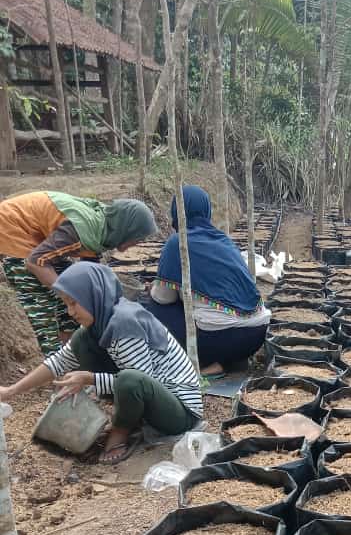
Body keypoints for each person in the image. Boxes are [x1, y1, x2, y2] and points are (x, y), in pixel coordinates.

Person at [0, 262, 202, 465]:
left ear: (93, 296)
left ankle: (121, 431)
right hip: (151, 396)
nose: (70, 312)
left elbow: (138, 380)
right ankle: (130, 419)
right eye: (66, 304)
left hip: (179, 412)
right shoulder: (99, 324)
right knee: (81, 341)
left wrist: (89, 379)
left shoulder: (125, 323)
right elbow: (58, 362)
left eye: (73, 303)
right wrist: (11, 391)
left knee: (129, 379)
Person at [0, 191, 157, 355]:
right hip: (12, 227)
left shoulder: (105, 228)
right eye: (138, 238)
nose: (139, 242)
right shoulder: (80, 230)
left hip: (39, 238)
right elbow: (35, 262)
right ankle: (56, 365)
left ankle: (72, 354)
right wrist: (68, 296)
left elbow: (88, 273)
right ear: (127, 229)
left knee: (72, 292)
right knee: (42, 303)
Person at [143, 185, 270, 375]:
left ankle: (198, 364)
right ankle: (224, 363)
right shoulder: (224, 240)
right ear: (206, 210)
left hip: (217, 339)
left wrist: (153, 289)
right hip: (255, 335)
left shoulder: (177, 242)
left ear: (177, 211)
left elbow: (163, 298)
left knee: (150, 309)